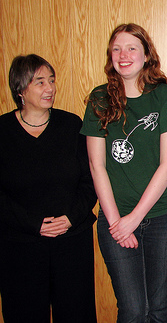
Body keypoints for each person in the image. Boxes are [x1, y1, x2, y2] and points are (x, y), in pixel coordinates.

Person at [81, 23, 167, 322]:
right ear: (110, 56)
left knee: (158, 309)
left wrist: (135, 219)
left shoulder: (165, 97)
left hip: (161, 219)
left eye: (131, 48)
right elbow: (96, 165)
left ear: (146, 55)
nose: (123, 55)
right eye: (116, 49)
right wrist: (117, 222)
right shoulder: (99, 98)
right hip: (114, 219)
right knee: (132, 311)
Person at [0, 54, 97, 322]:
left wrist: (70, 218)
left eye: (52, 81)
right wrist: (33, 224)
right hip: (20, 245)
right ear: (20, 89)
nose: (50, 88)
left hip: (71, 241)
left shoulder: (71, 125)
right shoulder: (3, 131)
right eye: (40, 82)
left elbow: (90, 182)